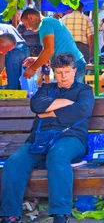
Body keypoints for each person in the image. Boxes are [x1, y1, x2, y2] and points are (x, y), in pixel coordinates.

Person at [0, 53, 95, 223]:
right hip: (40, 138)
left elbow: (82, 111)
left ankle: (60, 214)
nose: (63, 76)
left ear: (74, 70)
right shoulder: (46, 89)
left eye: (67, 71)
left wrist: (50, 112)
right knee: (15, 161)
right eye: (59, 72)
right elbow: (36, 105)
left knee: (57, 156)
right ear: (53, 72)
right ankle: (10, 214)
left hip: (71, 138)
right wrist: (67, 103)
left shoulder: (84, 90)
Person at [20, 8, 87, 83]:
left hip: (70, 65)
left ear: (30, 17)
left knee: (68, 94)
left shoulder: (45, 23)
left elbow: (49, 50)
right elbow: (52, 50)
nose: (27, 28)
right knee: (70, 93)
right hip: (73, 63)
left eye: (26, 24)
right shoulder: (49, 22)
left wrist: (32, 68)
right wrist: (36, 59)